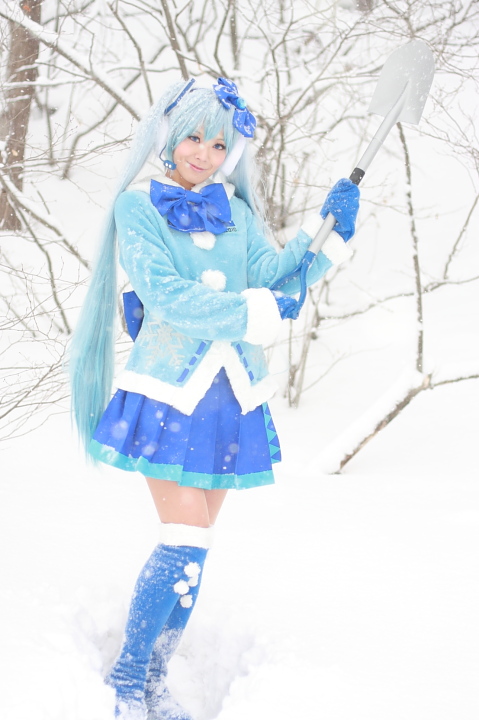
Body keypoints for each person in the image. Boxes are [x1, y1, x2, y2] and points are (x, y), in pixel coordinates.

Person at [69, 76, 360, 720]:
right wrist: (253, 312)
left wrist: (328, 232)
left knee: (196, 546)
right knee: (184, 537)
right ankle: (127, 677)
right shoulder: (137, 208)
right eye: (194, 138)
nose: (204, 153)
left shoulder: (237, 211)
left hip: (231, 396)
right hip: (167, 393)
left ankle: (153, 678)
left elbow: (277, 276)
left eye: (219, 143)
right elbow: (167, 295)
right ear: (170, 137)